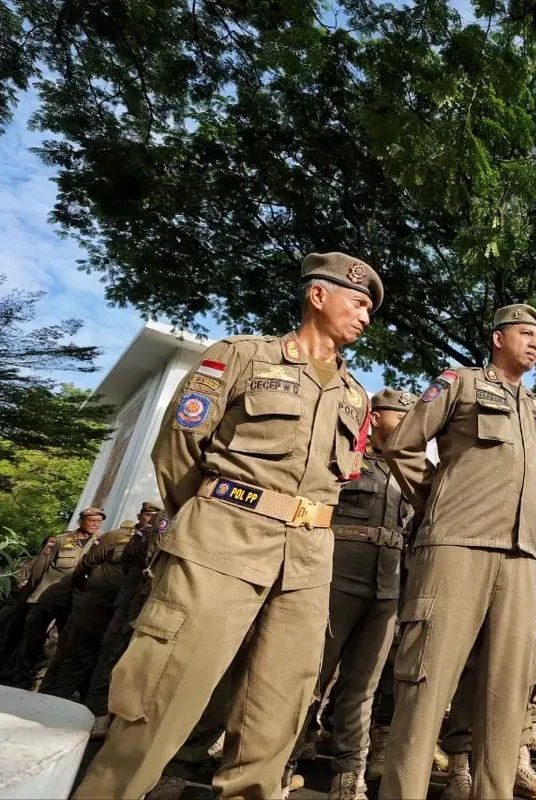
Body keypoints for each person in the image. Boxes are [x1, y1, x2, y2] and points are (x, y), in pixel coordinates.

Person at [75, 252, 381, 799]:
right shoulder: (240, 356)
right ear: (318, 296)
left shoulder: (355, 397)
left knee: (276, 717)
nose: (366, 316)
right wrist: (210, 517)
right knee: (161, 697)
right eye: (358, 302)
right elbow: (179, 446)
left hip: (307, 564)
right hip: (221, 541)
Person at [379, 304, 536, 800]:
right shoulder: (458, 382)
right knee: (426, 684)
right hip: (456, 547)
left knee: (506, 695)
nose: (535, 342)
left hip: (521, 558)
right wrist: (439, 498)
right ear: (498, 338)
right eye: (525, 333)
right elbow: (402, 445)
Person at [287, 387, 416, 800]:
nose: (409, 427)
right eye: (401, 417)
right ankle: (279, 764)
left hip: (387, 588)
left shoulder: (410, 472)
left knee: (363, 687)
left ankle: (349, 775)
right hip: (335, 579)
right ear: (376, 417)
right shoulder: (345, 457)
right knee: (310, 677)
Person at [438, 474, 536, 800]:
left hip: (530, 581)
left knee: (524, 673)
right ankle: (459, 766)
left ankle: (517, 761)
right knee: (471, 669)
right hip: (482, 567)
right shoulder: (500, 467)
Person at [1, 507, 104, 689]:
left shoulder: (101, 544)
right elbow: (40, 568)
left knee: (56, 644)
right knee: (31, 640)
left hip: (73, 601)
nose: (96, 524)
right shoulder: (60, 540)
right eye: (92, 520)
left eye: (98, 521)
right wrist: (31, 592)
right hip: (47, 597)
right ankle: (18, 680)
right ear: (81, 521)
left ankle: (38, 682)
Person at [40, 516, 141, 700]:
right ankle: (53, 697)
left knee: (101, 657)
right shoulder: (116, 536)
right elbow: (86, 565)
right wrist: (83, 591)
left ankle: (74, 700)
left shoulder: (157, 539)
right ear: (140, 516)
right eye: (149, 514)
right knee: (76, 651)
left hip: (123, 610)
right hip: (96, 604)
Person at [84, 502, 162, 736]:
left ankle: (117, 718)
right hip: (132, 602)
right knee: (113, 655)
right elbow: (131, 558)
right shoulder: (147, 532)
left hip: (152, 607)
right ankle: (97, 713)